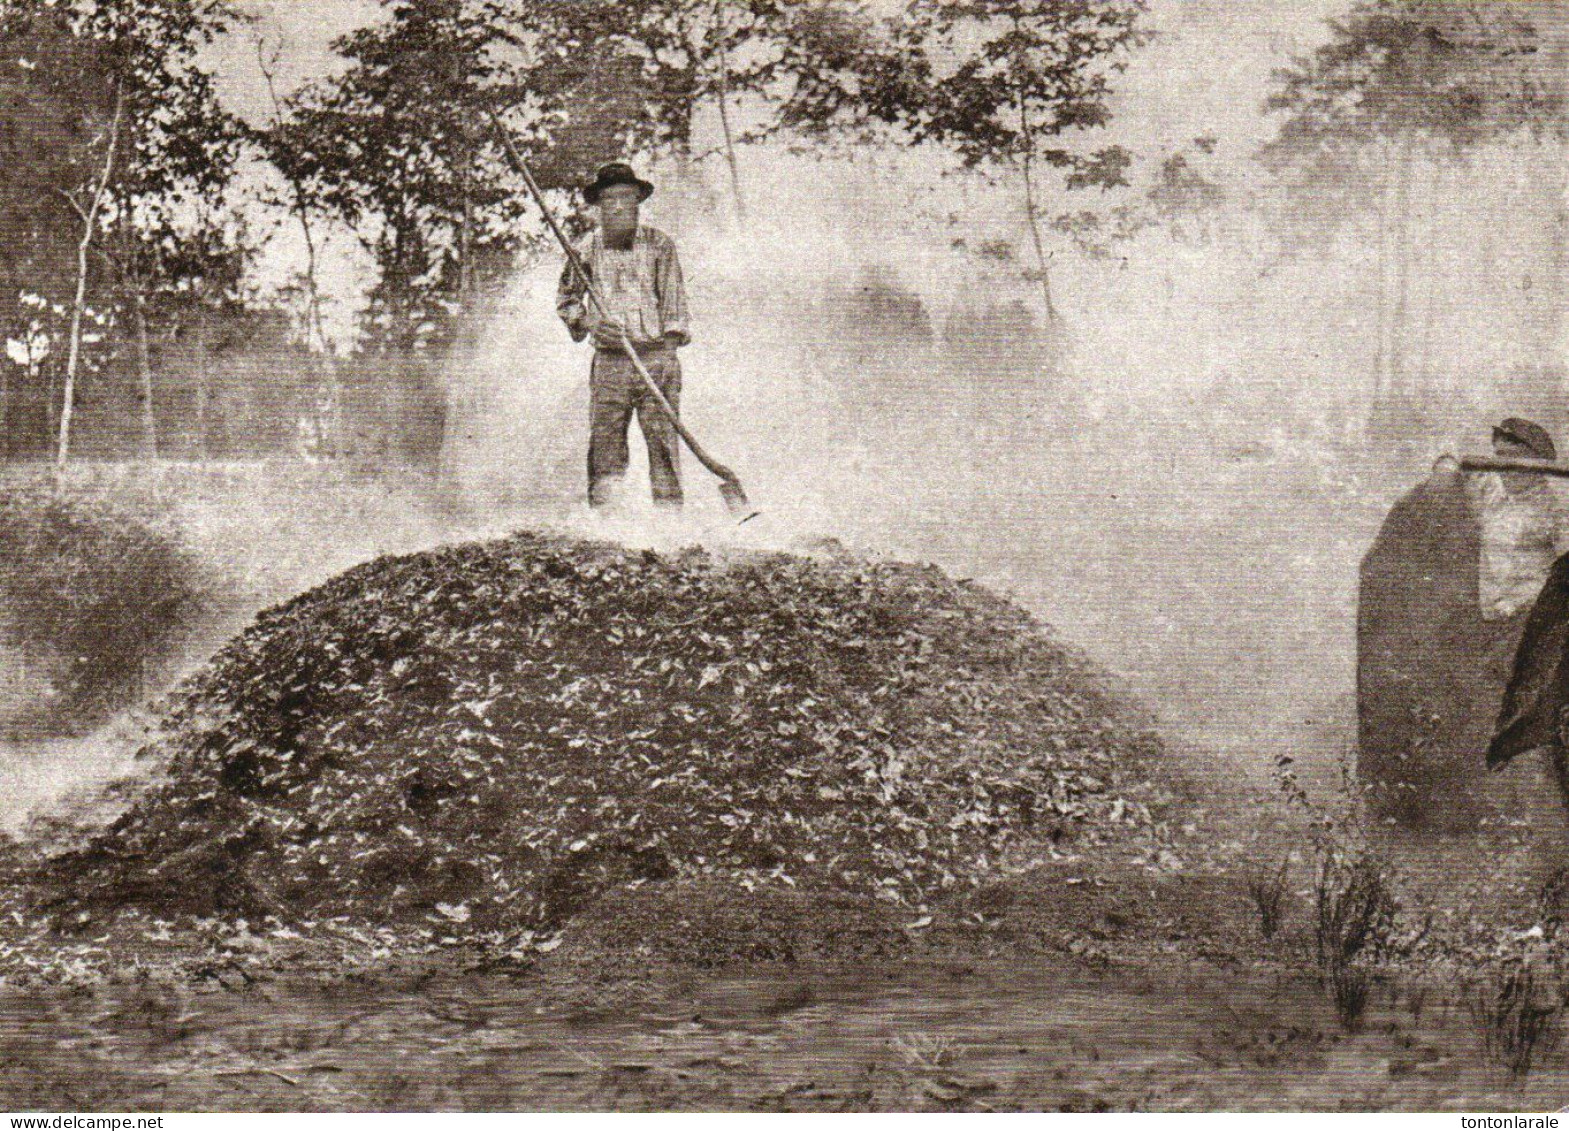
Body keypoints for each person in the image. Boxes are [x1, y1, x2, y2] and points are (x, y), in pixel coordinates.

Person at [555, 161, 691, 509]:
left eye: (626, 197)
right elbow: (567, 301)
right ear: (599, 205)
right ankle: (608, 526)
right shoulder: (585, 249)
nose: (617, 206)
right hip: (610, 364)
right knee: (605, 444)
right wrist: (590, 324)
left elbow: (675, 309)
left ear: (638, 201)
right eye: (609, 198)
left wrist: (667, 356)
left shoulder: (660, 245)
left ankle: (671, 525)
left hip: (656, 359)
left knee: (662, 444)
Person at [1467, 417, 1569, 621]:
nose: (1505, 468)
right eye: (1500, 456)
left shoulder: (1556, 511)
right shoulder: (1491, 497)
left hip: (1531, 621)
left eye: (1514, 458)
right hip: (1488, 620)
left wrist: (1520, 603)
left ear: (1541, 465)